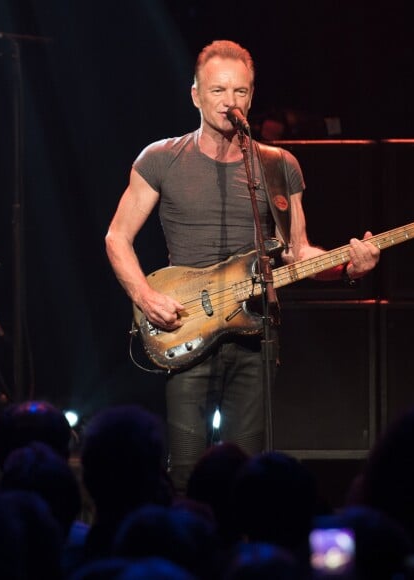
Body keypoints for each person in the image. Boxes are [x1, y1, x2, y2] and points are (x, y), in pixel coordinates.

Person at [105, 39, 380, 494]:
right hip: (186, 324)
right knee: (188, 466)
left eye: (240, 92)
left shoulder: (278, 166)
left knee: (248, 469)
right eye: (218, 91)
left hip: (256, 332)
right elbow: (117, 237)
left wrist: (349, 266)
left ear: (251, 97)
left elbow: (296, 252)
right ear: (195, 94)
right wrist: (145, 296)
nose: (230, 102)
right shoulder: (161, 158)